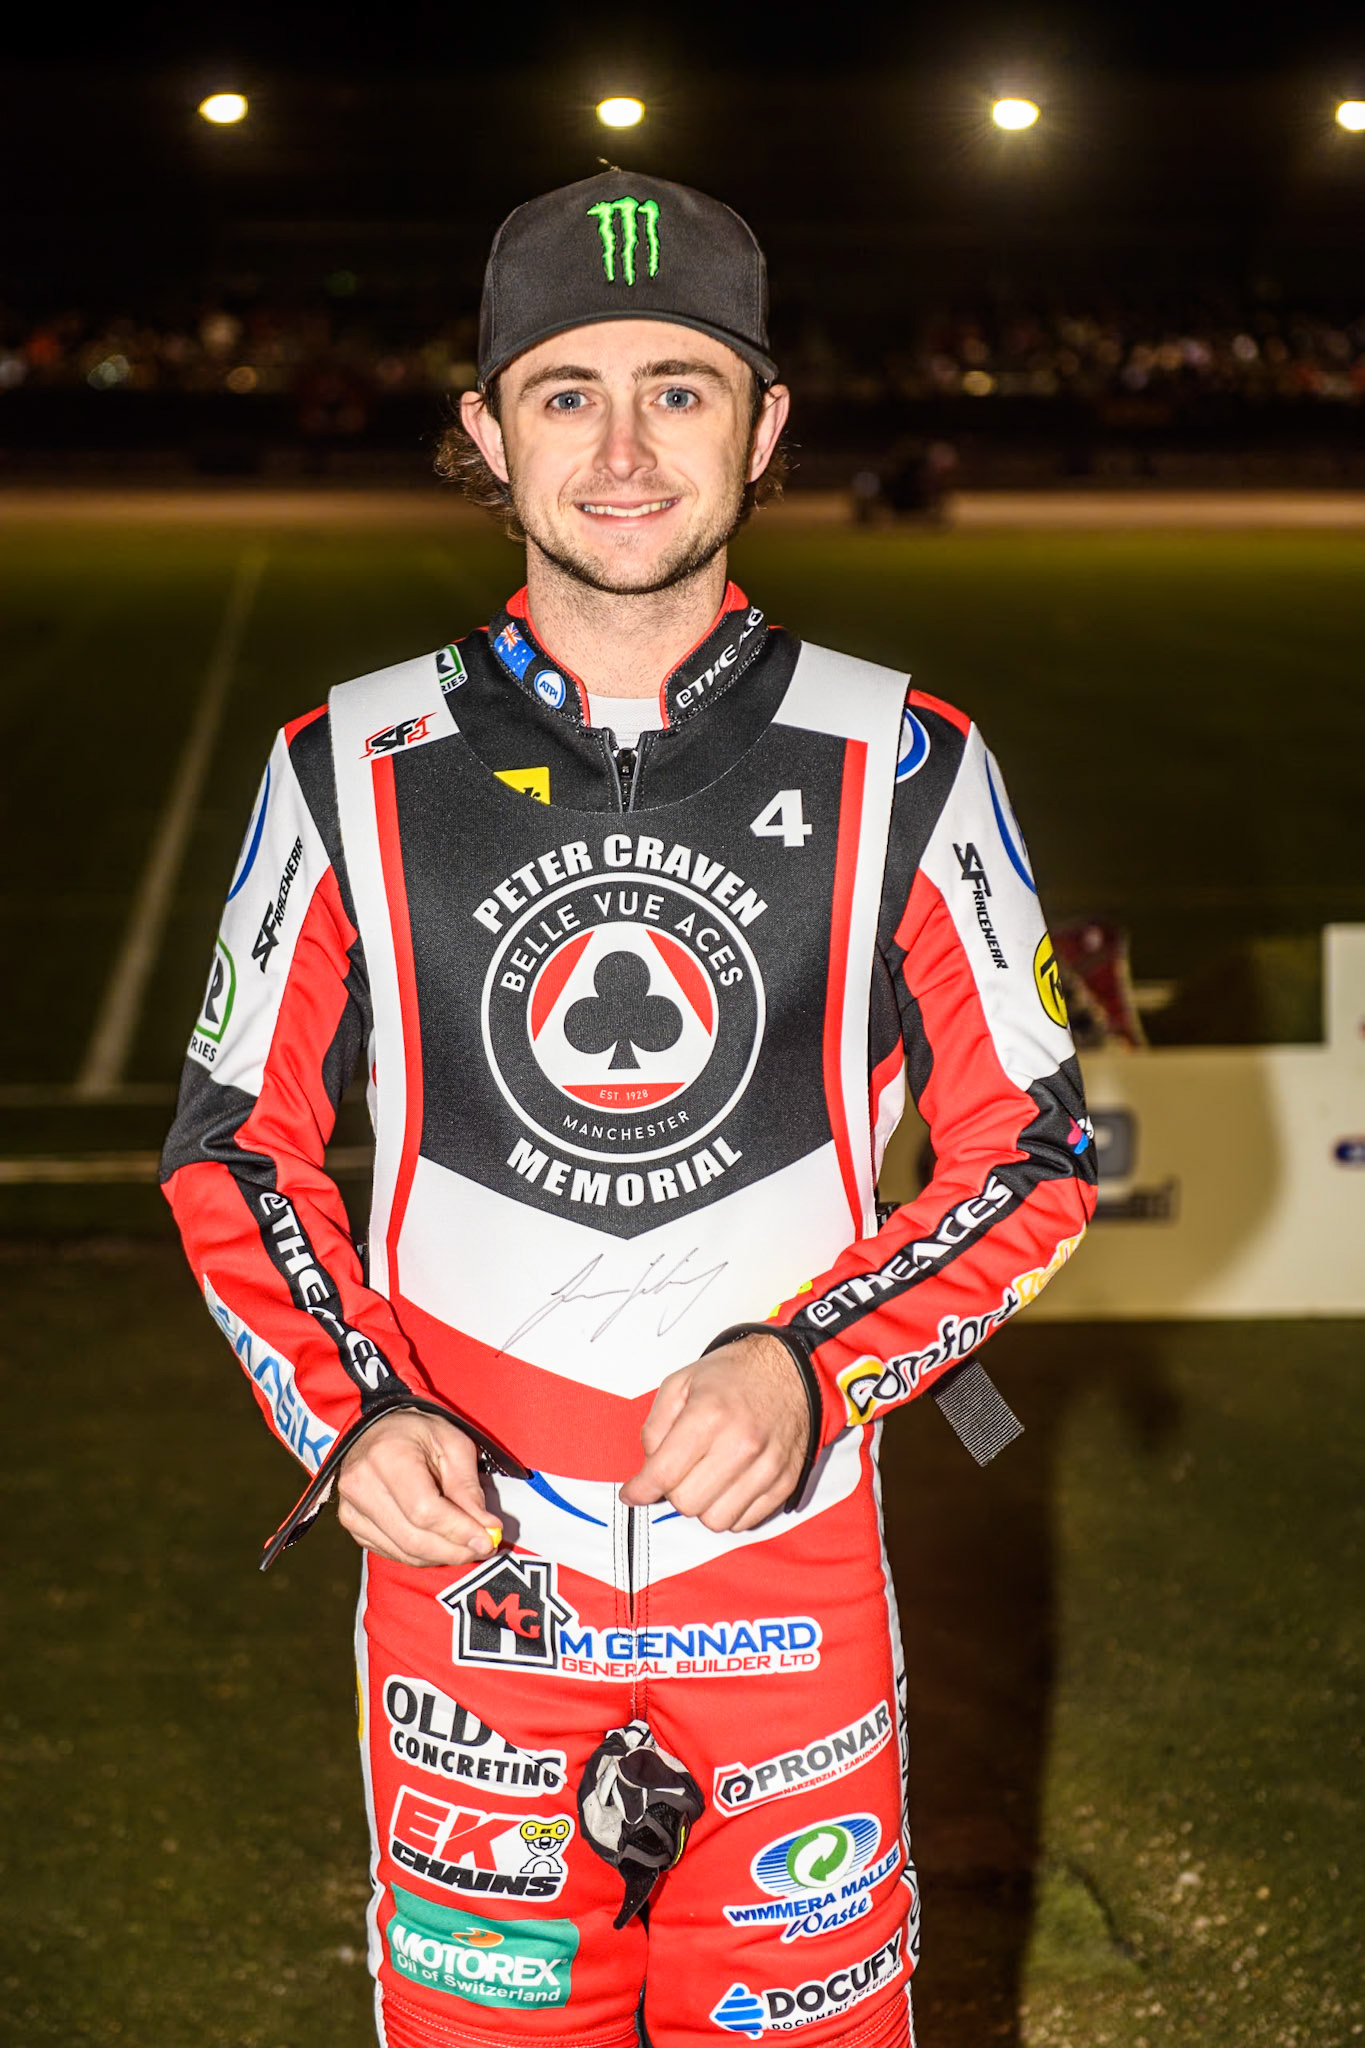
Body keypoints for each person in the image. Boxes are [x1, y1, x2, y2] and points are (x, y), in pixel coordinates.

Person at [161, 171, 1097, 2048]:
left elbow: (1038, 1157)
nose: (620, 446)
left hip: (790, 1566)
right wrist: (351, 1420)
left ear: (763, 429)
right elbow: (233, 1146)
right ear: (482, 431)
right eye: (563, 388)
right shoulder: (337, 761)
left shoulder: (909, 758)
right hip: (470, 1581)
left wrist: (810, 1368)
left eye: (678, 387)